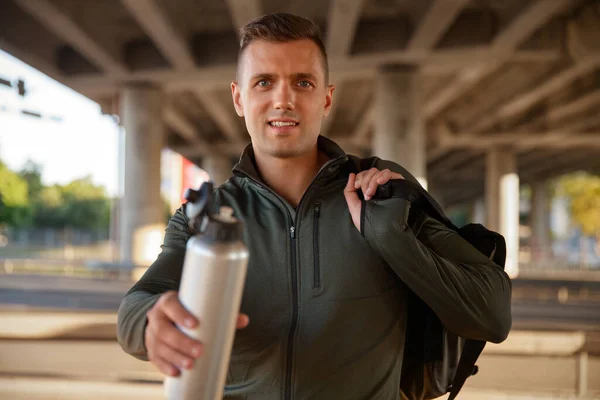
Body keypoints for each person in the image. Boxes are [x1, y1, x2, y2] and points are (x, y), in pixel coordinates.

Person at [117, 13, 512, 399]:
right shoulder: (204, 218)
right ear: (239, 98)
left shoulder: (382, 197)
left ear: (326, 98)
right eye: (264, 82)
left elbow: (493, 314)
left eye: (302, 82)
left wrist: (393, 238)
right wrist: (150, 321)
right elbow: (137, 303)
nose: (283, 99)